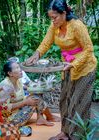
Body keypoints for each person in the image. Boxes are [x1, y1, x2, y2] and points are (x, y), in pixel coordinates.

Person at [25, 0, 97, 139]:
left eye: (55, 17)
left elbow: (89, 49)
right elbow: (46, 42)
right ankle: (65, 132)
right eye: (51, 17)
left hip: (85, 68)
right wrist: (36, 55)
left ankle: (77, 136)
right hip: (67, 66)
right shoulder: (55, 26)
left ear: (64, 13)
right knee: (64, 100)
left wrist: (74, 63)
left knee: (79, 102)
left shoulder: (77, 25)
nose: (53, 20)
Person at [0, 60, 60, 130]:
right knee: (35, 98)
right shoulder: (5, 85)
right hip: (11, 120)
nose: (20, 70)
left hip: (19, 110)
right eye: (17, 68)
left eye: (19, 67)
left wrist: (40, 87)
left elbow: (28, 89)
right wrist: (25, 102)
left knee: (36, 96)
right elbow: (4, 108)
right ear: (10, 73)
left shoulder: (18, 81)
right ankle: (49, 117)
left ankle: (41, 118)